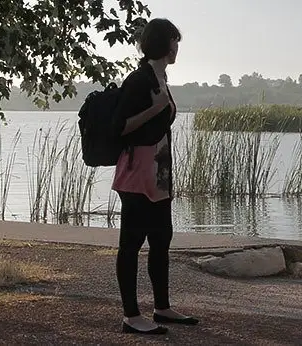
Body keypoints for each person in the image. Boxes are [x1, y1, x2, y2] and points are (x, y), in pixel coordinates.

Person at [111, 18, 198, 335]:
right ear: (163, 43)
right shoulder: (138, 80)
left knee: (161, 241)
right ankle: (131, 317)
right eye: (174, 40)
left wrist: (162, 103)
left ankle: (162, 308)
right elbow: (120, 126)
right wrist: (155, 107)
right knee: (131, 244)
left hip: (159, 175)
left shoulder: (161, 78)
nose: (177, 47)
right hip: (136, 174)